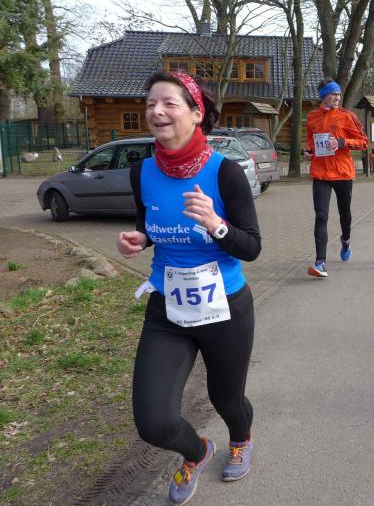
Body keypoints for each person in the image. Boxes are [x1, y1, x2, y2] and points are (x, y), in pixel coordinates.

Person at [116, 70, 261, 504]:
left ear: (197, 114)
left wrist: (217, 224)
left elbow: (252, 246)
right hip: (168, 309)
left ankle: (241, 438)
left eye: (169, 103)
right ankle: (197, 451)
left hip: (224, 307)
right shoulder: (142, 171)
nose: (156, 111)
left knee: (226, 398)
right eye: (150, 104)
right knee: (154, 422)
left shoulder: (226, 173)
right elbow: (149, 222)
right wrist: (140, 238)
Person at [304, 78, 368, 278]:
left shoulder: (347, 116)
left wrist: (341, 142)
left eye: (339, 94)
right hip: (320, 173)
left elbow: (363, 142)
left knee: (344, 214)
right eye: (333, 94)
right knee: (321, 216)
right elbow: (310, 141)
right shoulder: (312, 117)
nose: (337, 97)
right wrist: (308, 151)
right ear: (324, 95)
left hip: (342, 173)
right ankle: (320, 262)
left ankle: (346, 240)